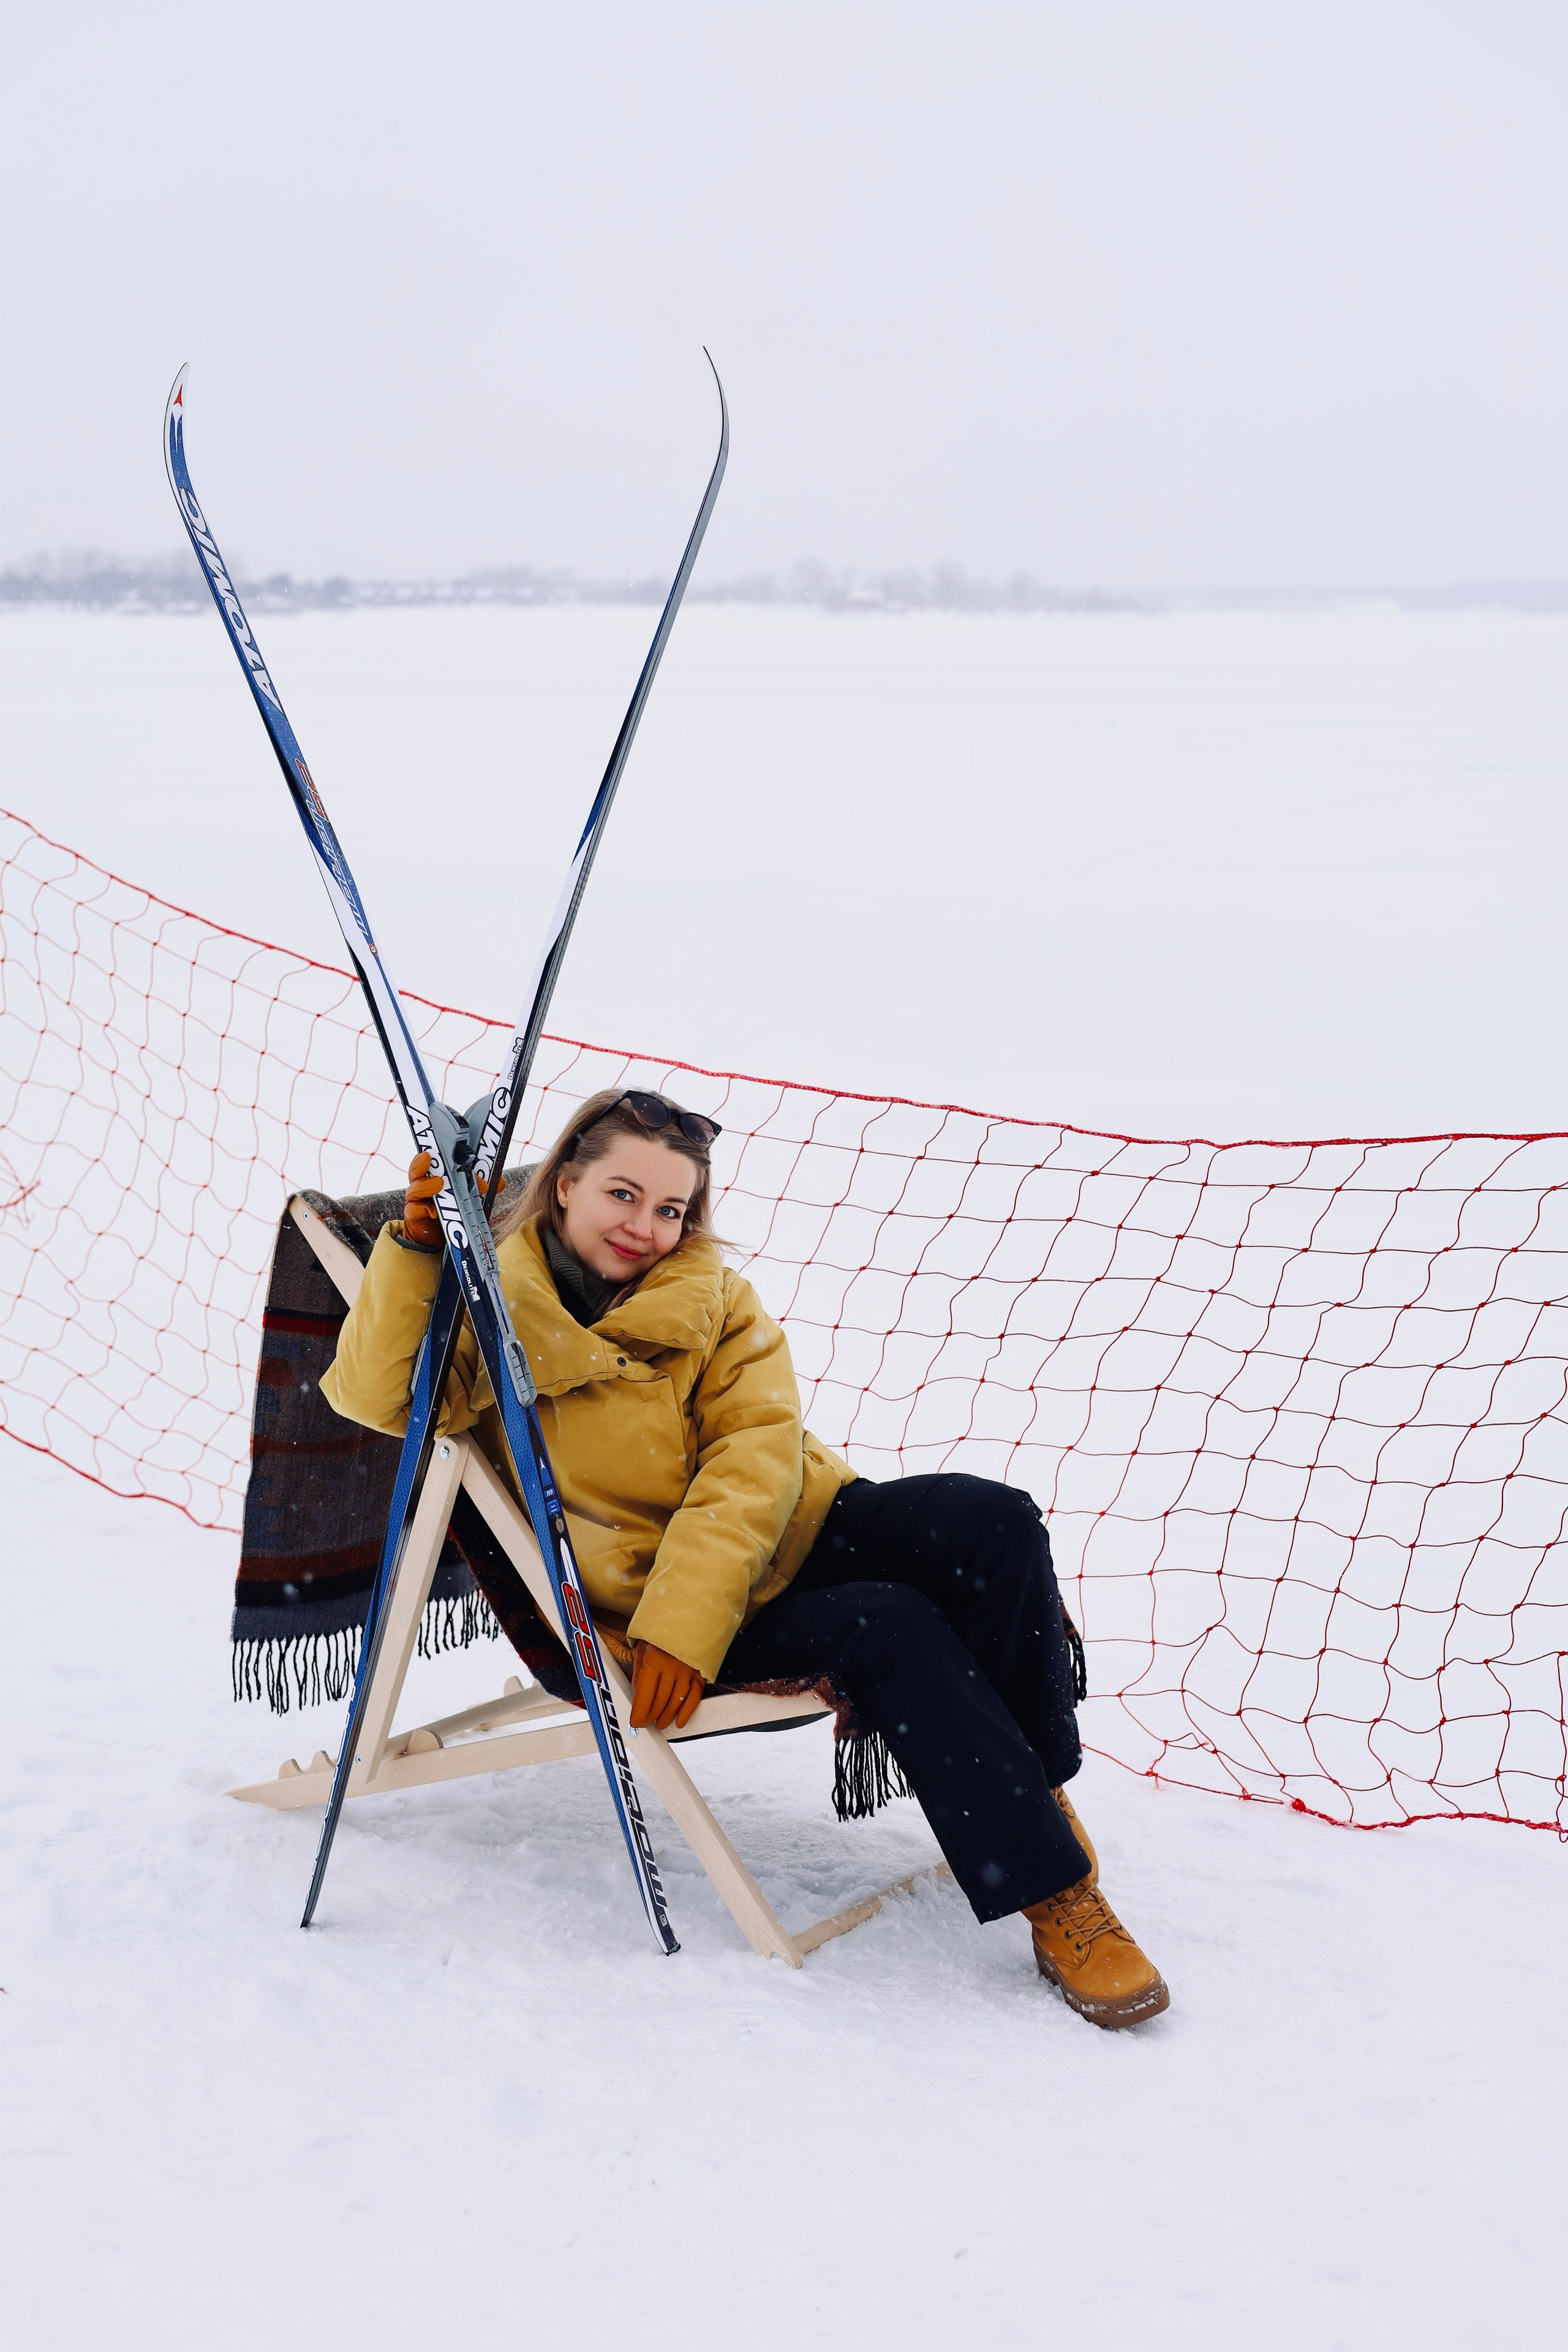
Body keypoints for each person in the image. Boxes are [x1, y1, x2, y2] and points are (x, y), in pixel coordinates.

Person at [321, 1087, 1169, 2027]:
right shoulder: (486, 1313)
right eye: (622, 1194)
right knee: (894, 1626)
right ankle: (1057, 1895)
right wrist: (417, 1253)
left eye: (670, 1208)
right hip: (657, 1605)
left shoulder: (714, 1296)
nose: (646, 1227)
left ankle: (1034, 1798)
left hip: (780, 1534)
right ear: (564, 1186)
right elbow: (377, 1399)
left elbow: (755, 1456)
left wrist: (692, 1615)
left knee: (993, 1521)